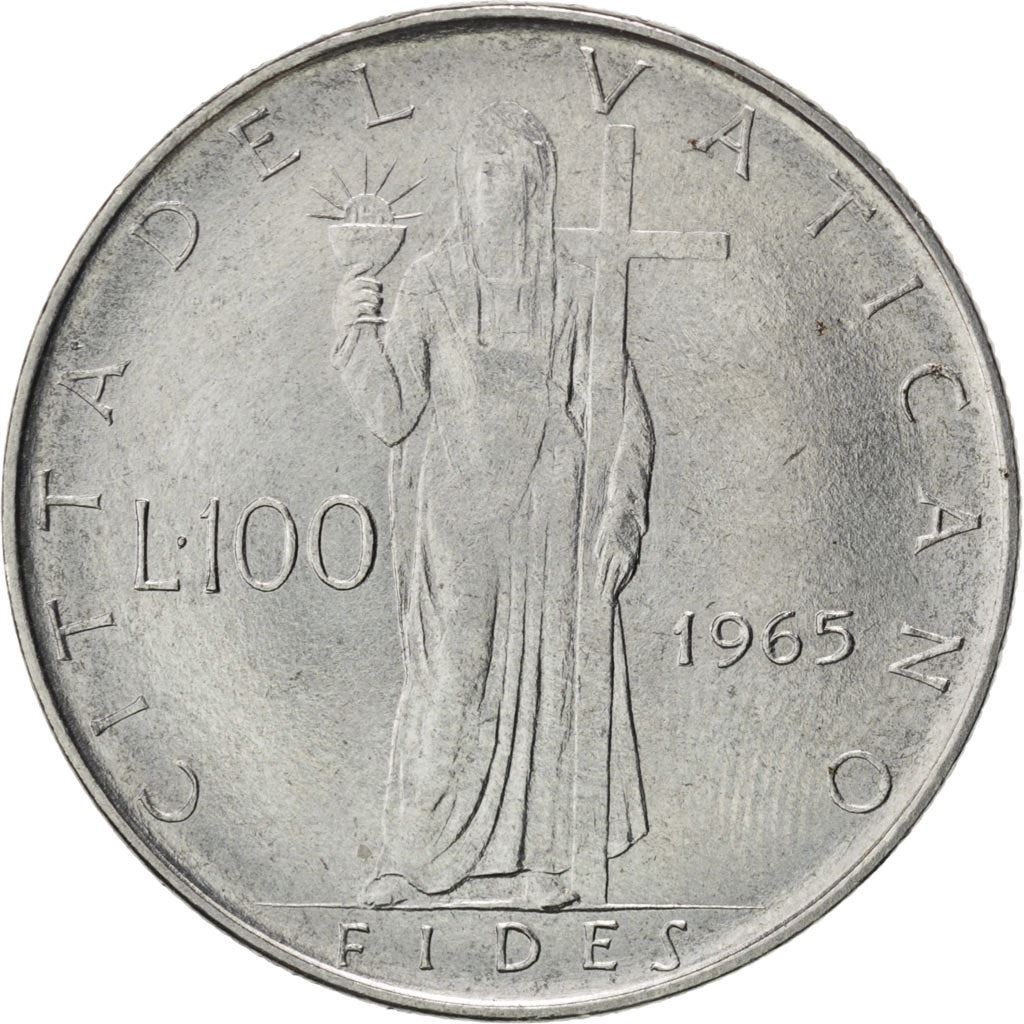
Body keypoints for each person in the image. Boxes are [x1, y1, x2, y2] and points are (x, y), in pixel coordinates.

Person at [332, 101, 653, 909]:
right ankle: (410, 857)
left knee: (550, 676)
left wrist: (623, 513)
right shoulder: (432, 280)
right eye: (475, 165)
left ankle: (547, 862)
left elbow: (623, 409)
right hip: (458, 509)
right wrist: (353, 327)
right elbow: (393, 413)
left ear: (535, 181)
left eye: (502, 165)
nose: (484, 179)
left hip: (553, 506)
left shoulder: (576, 284)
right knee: (451, 676)